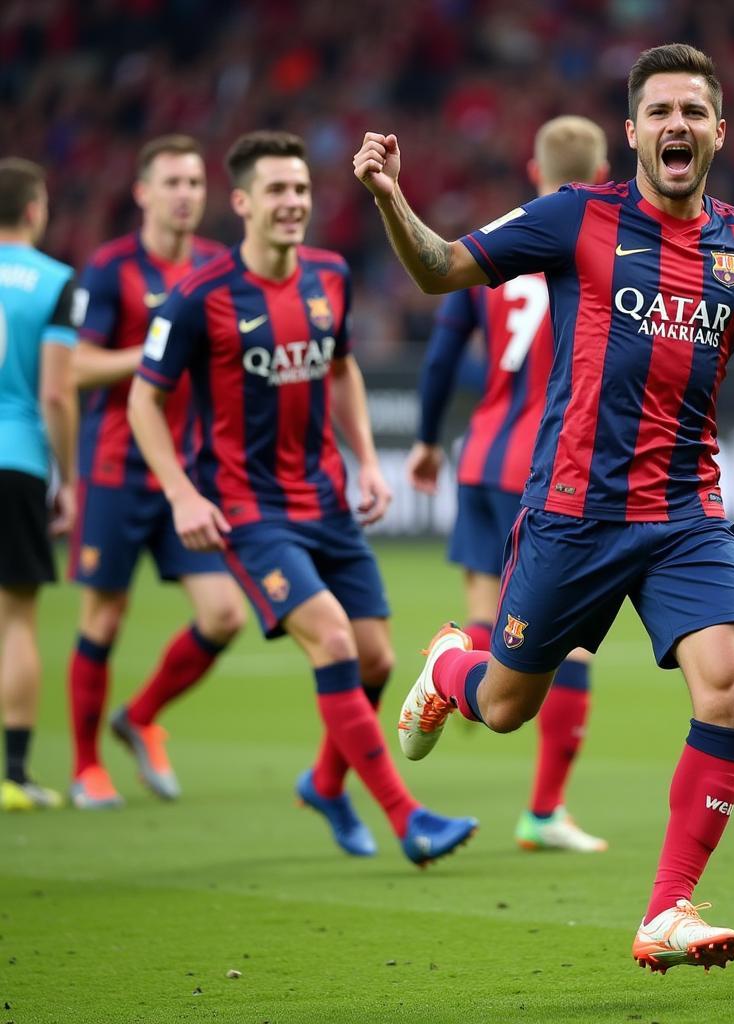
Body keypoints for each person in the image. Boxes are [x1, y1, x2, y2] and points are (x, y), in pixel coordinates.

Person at [355, 42, 734, 968]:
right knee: (503, 708)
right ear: (633, 132)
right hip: (574, 513)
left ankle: (668, 910)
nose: (677, 127)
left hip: (686, 515)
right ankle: (451, 664)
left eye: (693, 112)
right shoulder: (578, 217)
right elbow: (442, 268)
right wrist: (388, 197)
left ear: (720, 131)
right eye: (660, 112)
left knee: (731, 687)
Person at [128, 130, 477, 866]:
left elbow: (343, 368)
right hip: (248, 509)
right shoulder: (198, 297)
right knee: (336, 641)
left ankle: (324, 783)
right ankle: (408, 818)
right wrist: (182, 494)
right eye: (278, 192)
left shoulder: (329, 274)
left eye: (302, 191)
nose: (293, 204)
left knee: (379, 661)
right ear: (243, 203)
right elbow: (142, 403)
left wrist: (368, 465)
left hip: (325, 500)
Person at [407, 116, 610, 853]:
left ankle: (444, 671)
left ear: (534, 167)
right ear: (605, 165)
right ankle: (545, 809)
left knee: (489, 622)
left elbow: (440, 355)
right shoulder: (607, 245)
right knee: (572, 646)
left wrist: (428, 440)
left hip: (481, 456)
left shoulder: (492, 239)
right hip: (554, 468)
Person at [67, 135, 247, 809]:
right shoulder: (111, 268)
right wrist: (159, 349)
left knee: (225, 614)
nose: (185, 195)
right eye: (172, 182)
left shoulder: (217, 266)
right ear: (143, 192)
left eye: (195, 183)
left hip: (189, 473)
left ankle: (138, 716)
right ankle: (87, 766)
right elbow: (80, 367)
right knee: (104, 619)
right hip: (117, 465)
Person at [0, 158, 77, 812]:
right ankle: (15, 774)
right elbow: (56, 391)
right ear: (32, 210)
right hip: (16, 458)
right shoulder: (55, 282)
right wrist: (69, 478)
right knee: (16, 619)